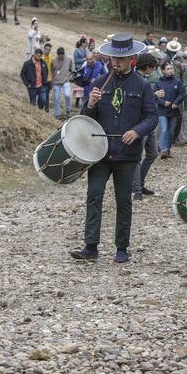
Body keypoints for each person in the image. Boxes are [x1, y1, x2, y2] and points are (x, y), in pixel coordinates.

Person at [70, 34, 157, 263]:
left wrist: (137, 131)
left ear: (132, 58)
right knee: (94, 195)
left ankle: (121, 247)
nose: (115, 63)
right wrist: (90, 104)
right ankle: (90, 246)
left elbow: (152, 117)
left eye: (121, 59)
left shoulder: (143, 85)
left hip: (128, 155)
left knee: (123, 201)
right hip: (100, 152)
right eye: (112, 59)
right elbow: (85, 120)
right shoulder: (99, 82)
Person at [131, 52, 164, 200]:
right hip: (140, 123)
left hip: (148, 121)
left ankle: (140, 184)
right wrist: (155, 96)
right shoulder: (135, 79)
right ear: (148, 67)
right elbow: (138, 102)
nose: (154, 71)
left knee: (152, 153)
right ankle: (136, 189)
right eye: (153, 67)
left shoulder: (143, 78)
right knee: (137, 156)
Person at [156, 61, 184, 158]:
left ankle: (167, 150)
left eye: (171, 68)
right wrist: (163, 102)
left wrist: (176, 103)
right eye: (168, 69)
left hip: (173, 110)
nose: (170, 71)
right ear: (163, 71)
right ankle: (162, 149)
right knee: (163, 129)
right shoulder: (158, 82)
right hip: (162, 110)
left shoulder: (177, 82)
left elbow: (181, 94)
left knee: (171, 131)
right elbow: (154, 96)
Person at [50, 46, 74, 119]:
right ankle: (57, 114)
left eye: (62, 55)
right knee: (56, 98)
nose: (61, 57)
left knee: (67, 95)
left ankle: (68, 110)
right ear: (57, 55)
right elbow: (52, 71)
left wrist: (70, 77)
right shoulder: (54, 60)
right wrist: (52, 81)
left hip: (65, 81)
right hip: (56, 82)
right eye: (60, 55)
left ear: (64, 54)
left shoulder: (69, 59)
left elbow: (71, 69)